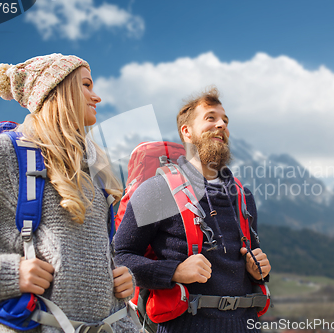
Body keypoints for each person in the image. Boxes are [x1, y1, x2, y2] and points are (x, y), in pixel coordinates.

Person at [0, 54, 137, 333]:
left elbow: (94, 251)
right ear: (56, 90)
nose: (96, 96)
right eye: (86, 85)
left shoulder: (94, 168)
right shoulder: (2, 155)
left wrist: (121, 278)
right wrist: (6, 275)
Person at [114, 87, 271, 332]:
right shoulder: (158, 190)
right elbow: (120, 256)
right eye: (211, 118)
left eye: (225, 121)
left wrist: (257, 269)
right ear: (187, 132)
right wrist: (173, 271)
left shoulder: (243, 196)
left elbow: (248, 261)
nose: (221, 125)